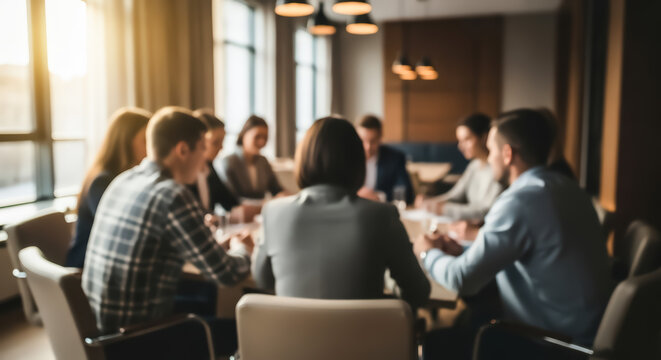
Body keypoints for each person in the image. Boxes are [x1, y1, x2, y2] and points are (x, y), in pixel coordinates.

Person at [414, 109, 613, 359]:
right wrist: (461, 250)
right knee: (469, 319)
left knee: (431, 345)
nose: (489, 158)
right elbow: (526, 253)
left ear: (508, 154)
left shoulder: (521, 201)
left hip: (553, 343)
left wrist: (426, 252)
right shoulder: (566, 187)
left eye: (492, 150)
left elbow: (462, 279)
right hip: (584, 332)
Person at [82, 107, 253, 358]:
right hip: (137, 337)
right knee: (246, 328)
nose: (206, 160)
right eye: (202, 149)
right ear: (183, 150)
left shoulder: (123, 180)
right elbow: (226, 274)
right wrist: (244, 249)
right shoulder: (173, 194)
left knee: (208, 300)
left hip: (100, 330)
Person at [253, 117, 430, 309]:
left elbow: (263, 280)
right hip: (364, 337)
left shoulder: (273, 212)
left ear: (302, 159)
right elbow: (418, 293)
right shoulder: (382, 216)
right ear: (357, 162)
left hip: (290, 337)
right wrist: (387, 282)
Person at [65, 107, 151, 268]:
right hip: (87, 269)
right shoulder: (102, 181)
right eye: (145, 140)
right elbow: (122, 231)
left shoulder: (132, 176)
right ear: (125, 141)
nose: (151, 149)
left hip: (112, 262)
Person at [418, 113, 502, 221]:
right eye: (459, 141)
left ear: (484, 137)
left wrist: (444, 209)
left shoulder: (498, 170)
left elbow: (485, 211)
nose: (460, 146)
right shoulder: (474, 165)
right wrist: (431, 201)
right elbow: (455, 194)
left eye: (467, 139)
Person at [189, 109, 260, 223]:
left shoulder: (209, 168)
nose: (221, 148)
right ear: (199, 141)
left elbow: (229, 203)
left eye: (222, 142)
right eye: (215, 142)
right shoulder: (186, 175)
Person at [218, 115, 284, 200]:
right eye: (257, 136)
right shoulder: (228, 162)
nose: (262, 142)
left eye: (265, 137)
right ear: (244, 134)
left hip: (261, 210)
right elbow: (231, 199)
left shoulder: (263, 161)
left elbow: (277, 189)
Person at [356, 115, 415, 204]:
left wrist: (378, 196)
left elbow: (406, 191)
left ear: (380, 138)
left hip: (382, 209)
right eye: (362, 140)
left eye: (372, 141)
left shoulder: (395, 158)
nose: (367, 147)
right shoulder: (346, 158)